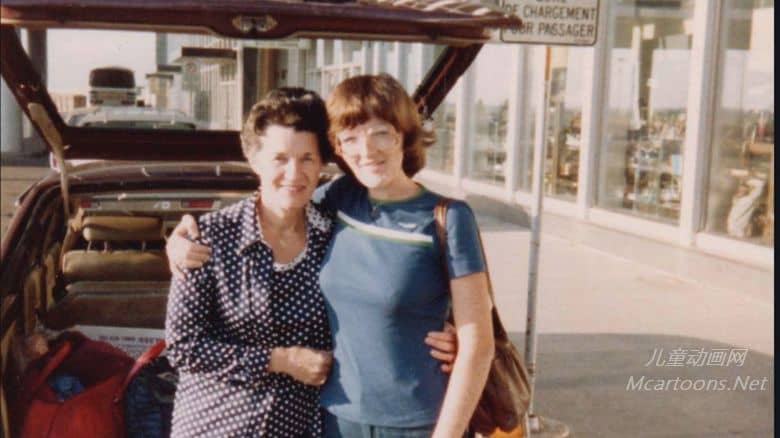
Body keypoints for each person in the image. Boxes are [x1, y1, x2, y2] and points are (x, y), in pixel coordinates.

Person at [168, 74, 494, 437]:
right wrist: (179, 240)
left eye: (381, 133)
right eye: (351, 138)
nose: (367, 150)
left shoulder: (439, 217)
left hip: (415, 420)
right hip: (319, 421)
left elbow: (478, 343)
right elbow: (276, 201)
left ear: (403, 134)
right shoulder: (333, 203)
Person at [165, 88, 336, 437]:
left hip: (298, 428)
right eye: (280, 158)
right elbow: (183, 346)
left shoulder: (336, 237)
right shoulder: (209, 236)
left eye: (307, 158)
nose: (294, 173)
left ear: (321, 164)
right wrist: (281, 361)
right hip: (216, 425)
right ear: (254, 160)